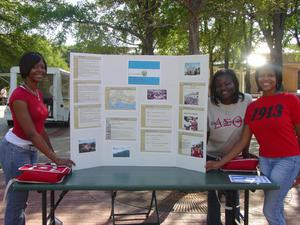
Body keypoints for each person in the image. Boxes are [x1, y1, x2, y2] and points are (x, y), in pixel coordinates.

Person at [207, 63, 300, 225]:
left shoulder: (290, 100)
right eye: (262, 75)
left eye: (270, 75)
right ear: (256, 79)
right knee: (276, 207)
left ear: (277, 78)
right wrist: (218, 163)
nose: (266, 79)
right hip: (265, 161)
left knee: (269, 210)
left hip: (287, 159)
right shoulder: (253, 106)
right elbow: (243, 139)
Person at [0, 52, 75, 225]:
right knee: (17, 201)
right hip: (14, 151)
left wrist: (55, 156)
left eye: (42, 66)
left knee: (23, 200)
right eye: (35, 66)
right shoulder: (18, 95)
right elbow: (32, 134)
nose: (39, 70)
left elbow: (41, 129)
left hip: (30, 151)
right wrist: (55, 158)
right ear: (26, 69)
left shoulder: (37, 93)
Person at [206, 68, 252, 225]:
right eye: (218, 85)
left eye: (227, 83)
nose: (223, 88)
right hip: (211, 155)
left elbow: (247, 133)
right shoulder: (208, 103)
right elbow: (203, 133)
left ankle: (232, 222)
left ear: (235, 83)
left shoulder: (247, 100)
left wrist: (245, 154)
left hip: (234, 157)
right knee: (213, 196)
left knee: (232, 195)